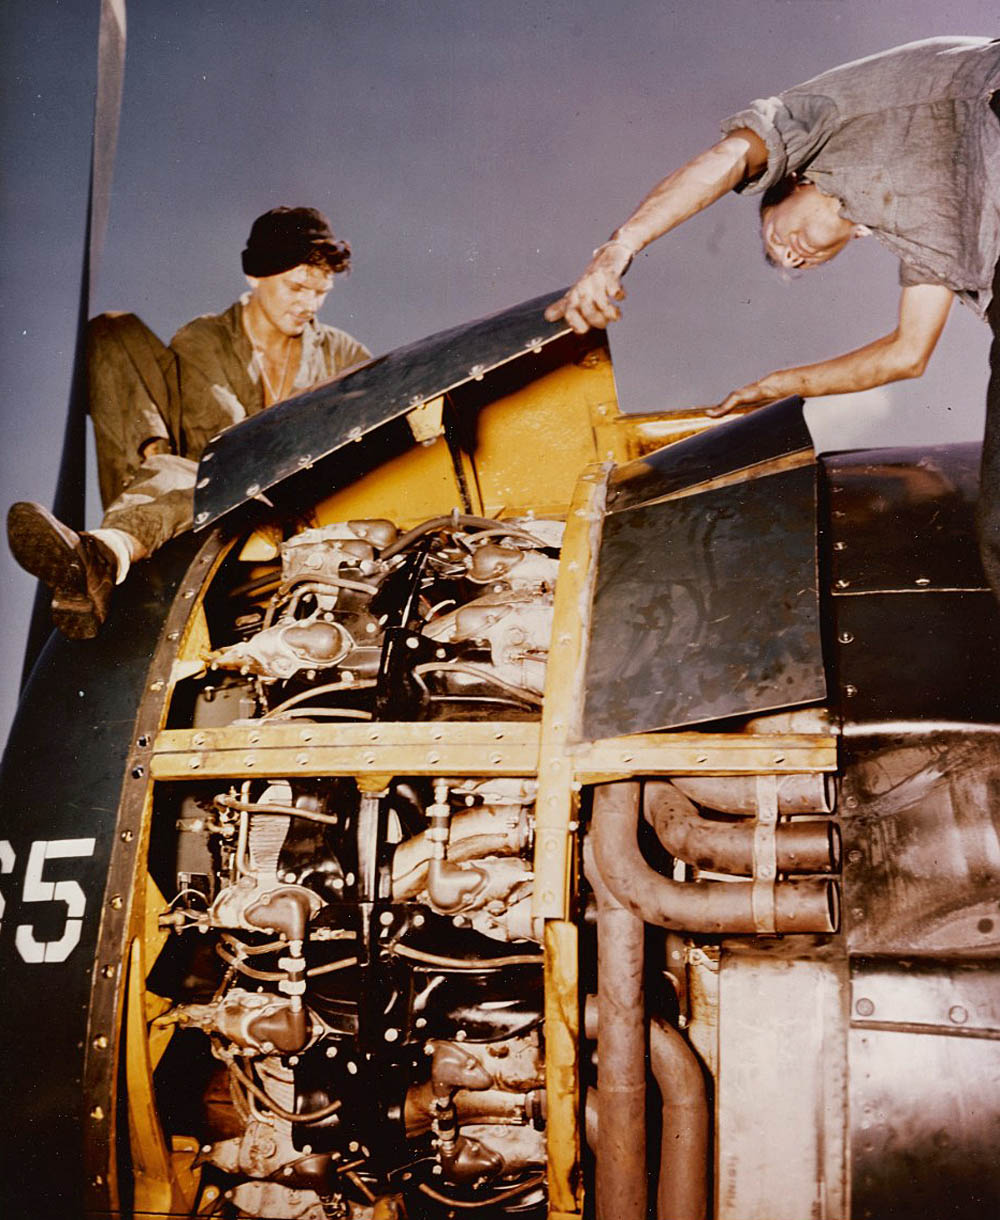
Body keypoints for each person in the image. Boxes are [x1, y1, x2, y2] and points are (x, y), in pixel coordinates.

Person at [546, 37, 1000, 589]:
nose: (787, 255)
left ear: (795, 181)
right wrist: (780, 385)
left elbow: (731, 157)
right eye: (788, 262)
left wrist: (619, 248)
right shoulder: (925, 238)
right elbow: (905, 355)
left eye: (774, 234)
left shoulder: (823, 125)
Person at [8, 206, 371, 639]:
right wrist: (159, 464)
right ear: (256, 276)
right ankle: (114, 542)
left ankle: (106, 554)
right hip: (193, 488)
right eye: (295, 288)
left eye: (320, 292)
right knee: (112, 330)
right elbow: (223, 444)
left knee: (216, 470)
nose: (307, 305)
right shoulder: (204, 339)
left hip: (283, 506)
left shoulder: (342, 353)